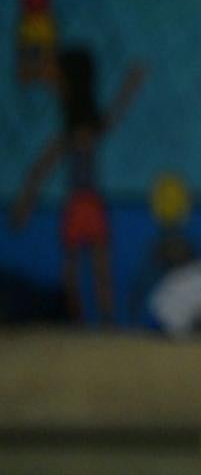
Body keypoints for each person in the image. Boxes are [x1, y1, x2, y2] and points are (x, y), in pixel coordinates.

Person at [11, 47, 144, 323]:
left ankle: (99, 316)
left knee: (95, 264)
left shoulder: (81, 131)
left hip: (88, 203)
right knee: (78, 265)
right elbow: (40, 170)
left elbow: (40, 169)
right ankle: (79, 316)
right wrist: (25, 203)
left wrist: (131, 84)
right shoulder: (76, 132)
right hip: (81, 203)